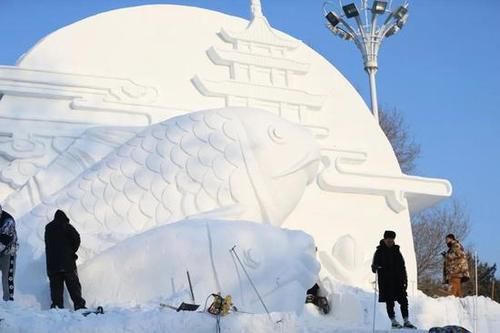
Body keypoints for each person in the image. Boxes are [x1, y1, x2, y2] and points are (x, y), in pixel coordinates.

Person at [371, 230, 416, 329]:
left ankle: (406, 320)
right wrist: (375, 267)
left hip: (398, 280)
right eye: (388, 240)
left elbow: (402, 266)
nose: (390, 242)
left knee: (403, 300)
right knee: (389, 301)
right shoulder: (379, 252)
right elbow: (373, 268)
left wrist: (405, 280)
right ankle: (393, 321)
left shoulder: (397, 251)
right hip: (386, 281)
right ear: (384, 239)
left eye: (392, 240)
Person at [44, 209, 86, 310]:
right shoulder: (67, 226)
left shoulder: (48, 228)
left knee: (56, 287)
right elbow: (77, 238)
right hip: (68, 264)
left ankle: (57, 307)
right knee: (73, 285)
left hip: (52, 264)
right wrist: (72, 251)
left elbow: (47, 244)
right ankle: (79, 305)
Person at [0, 204, 17, 301]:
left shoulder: (8, 220)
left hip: (8, 251)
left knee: (7, 277)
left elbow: (5, 241)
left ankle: (8, 301)